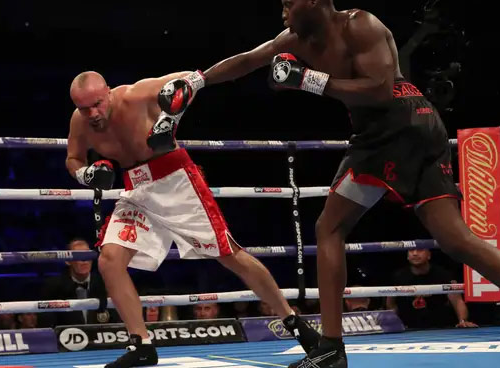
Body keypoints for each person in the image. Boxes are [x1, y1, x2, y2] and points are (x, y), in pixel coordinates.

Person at [175, 0, 500, 368]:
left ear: (314, 0)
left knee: (330, 227)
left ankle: (331, 349)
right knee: (456, 240)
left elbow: (378, 89)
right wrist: (197, 81)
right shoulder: (295, 39)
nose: (283, 13)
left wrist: (308, 81)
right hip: (407, 133)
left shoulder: (361, 26)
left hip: (395, 130)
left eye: (289, 4)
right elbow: (249, 59)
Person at [66, 70, 319, 368]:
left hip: (175, 179)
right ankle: (141, 345)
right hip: (137, 188)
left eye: (97, 103)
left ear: (108, 91)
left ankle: (297, 326)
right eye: (85, 108)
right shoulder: (80, 122)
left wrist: (169, 120)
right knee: (109, 260)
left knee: (229, 255)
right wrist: (86, 174)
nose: (93, 113)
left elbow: (192, 78)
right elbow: (74, 158)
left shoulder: (136, 95)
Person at [386, 249, 477, 329]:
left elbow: (457, 301)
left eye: (420, 250)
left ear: (429, 255)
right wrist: (395, 324)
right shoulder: (398, 276)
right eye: (411, 250)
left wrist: (463, 321)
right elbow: (391, 304)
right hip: (409, 327)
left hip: (441, 327)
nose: (415, 253)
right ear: (407, 256)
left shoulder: (443, 274)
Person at [39, 237, 119, 327]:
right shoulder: (54, 287)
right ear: (68, 261)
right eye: (78, 256)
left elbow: (117, 321)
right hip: (67, 338)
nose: (84, 261)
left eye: (87, 256)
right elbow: (48, 324)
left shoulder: (105, 283)